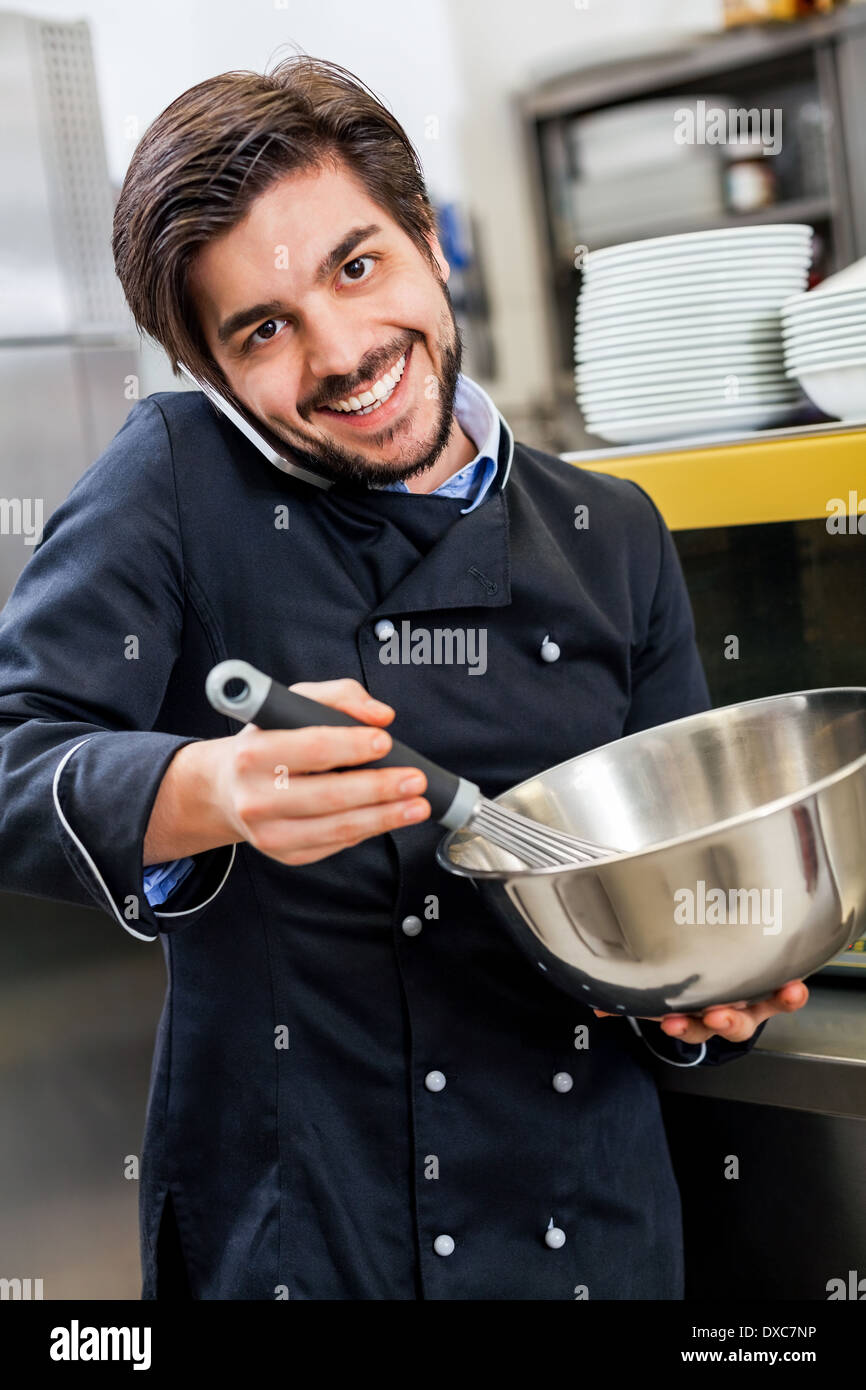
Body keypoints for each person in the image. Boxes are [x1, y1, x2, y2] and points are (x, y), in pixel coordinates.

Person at [0, 54, 808, 1301]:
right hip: (305, 1228)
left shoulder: (611, 531)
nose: (342, 351)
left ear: (427, 239)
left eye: (357, 265)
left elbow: (671, 882)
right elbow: (17, 756)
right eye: (262, 330)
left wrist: (699, 995)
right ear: (212, 374)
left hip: (581, 1224)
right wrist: (204, 789)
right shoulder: (174, 481)